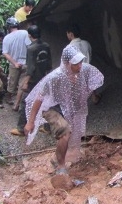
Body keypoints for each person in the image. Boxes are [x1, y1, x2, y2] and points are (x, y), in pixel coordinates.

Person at [24, 46, 104, 175]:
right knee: (65, 131)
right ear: (67, 64)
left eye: (80, 62)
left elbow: (96, 77)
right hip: (50, 108)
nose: (79, 66)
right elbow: (38, 99)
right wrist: (30, 122)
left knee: (70, 134)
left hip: (66, 107)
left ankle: (56, 159)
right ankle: (61, 166)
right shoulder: (54, 78)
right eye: (76, 64)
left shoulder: (83, 70)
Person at [11, 25, 51, 136]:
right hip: (43, 78)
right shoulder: (46, 46)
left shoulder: (31, 48)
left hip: (33, 80)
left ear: (29, 35)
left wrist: (26, 81)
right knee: (45, 102)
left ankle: (21, 129)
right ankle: (47, 127)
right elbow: (49, 64)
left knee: (25, 101)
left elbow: (31, 67)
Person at [2, 17, 31, 106]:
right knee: (21, 84)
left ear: (8, 27)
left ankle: (9, 98)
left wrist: (14, 63)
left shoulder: (6, 38)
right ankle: (17, 104)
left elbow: (5, 53)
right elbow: (29, 46)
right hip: (25, 62)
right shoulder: (25, 33)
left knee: (12, 82)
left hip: (14, 63)